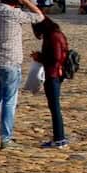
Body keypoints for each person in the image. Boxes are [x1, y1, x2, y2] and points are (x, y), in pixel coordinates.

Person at [0, 0, 47, 149]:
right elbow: (40, 16)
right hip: (10, 62)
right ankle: (6, 137)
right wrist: (25, 0)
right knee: (9, 102)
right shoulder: (14, 13)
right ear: (15, 3)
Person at [33, 18, 70, 148]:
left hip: (53, 74)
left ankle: (59, 138)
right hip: (54, 73)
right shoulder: (56, 34)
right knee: (54, 107)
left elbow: (56, 57)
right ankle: (59, 136)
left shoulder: (53, 36)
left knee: (54, 107)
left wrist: (40, 57)